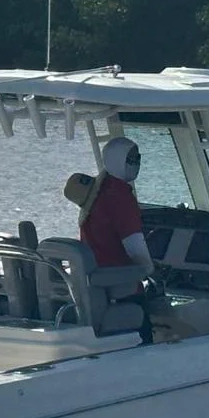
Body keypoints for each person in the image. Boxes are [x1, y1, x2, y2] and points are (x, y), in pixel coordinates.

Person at [77, 135, 155, 342]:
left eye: (139, 158)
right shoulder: (120, 197)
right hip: (120, 281)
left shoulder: (97, 191)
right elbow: (135, 245)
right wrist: (151, 270)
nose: (137, 164)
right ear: (118, 160)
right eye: (132, 159)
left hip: (97, 279)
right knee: (146, 334)